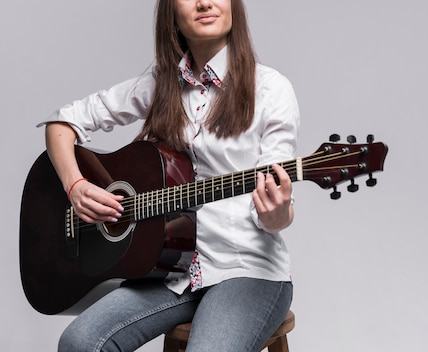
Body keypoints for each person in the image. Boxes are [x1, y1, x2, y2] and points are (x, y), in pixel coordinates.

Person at [42, 0, 300, 351]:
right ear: (171, 13)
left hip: (246, 270)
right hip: (170, 270)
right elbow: (62, 122)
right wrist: (76, 185)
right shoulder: (161, 85)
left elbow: (276, 209)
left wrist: (278, 212)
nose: (205, 2)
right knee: (80, 342)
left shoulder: (271, 89)